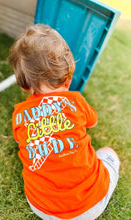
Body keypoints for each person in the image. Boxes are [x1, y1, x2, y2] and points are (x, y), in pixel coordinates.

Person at [9, 24, 120, 220]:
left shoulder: (19, 114)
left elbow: (20, 141)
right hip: (90, 205)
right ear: (68, 76)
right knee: (108, 153)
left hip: (41, 207)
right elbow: (92, 123)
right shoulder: (76, 101)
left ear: (25, 85)